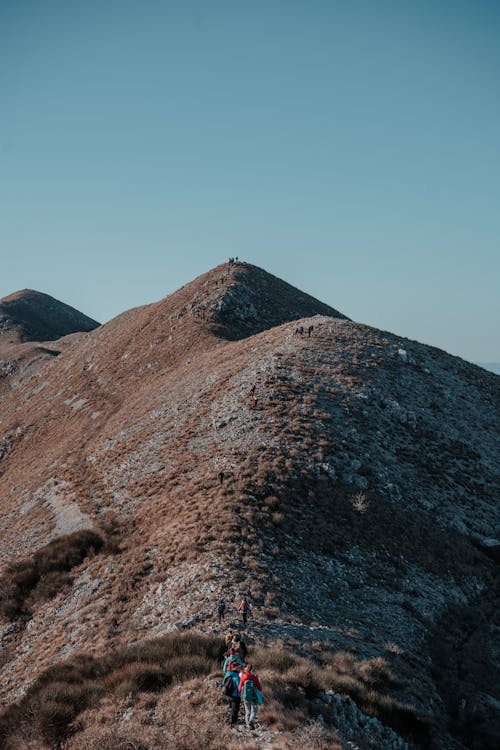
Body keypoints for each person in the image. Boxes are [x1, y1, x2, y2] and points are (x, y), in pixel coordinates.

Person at [238, 663, 263, 730]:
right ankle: (251, 721)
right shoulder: (254, 677)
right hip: (253, 696)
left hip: (245, 696)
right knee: (254, 710)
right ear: (252, 669)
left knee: (247, 711)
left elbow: (239, 688)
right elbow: (260, 688)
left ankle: (248, 725)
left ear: (246, 669)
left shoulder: (243, 677)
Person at [222, 660, 242, 725]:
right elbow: (239, 686)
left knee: (231, 707)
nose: (240, 668)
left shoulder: (228, 674)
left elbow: (223, 683)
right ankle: (233, 722)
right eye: (239, 667)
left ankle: (229, 719)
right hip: (235, 695)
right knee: (235, 709)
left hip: (228, 694)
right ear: (235, 667)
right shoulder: (236, 676)